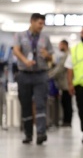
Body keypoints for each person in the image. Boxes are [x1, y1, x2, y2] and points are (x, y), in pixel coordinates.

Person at [13, 13, 54, 145]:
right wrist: (25, 61)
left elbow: (51, 58)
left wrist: (47, 55)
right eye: (39, 23)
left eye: (43, 24)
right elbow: (16, 50)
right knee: (25, 105)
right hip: (24, 74)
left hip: (40, 74)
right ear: (32, 22)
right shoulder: (20, 36)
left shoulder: (45, 38)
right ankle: (28, 133)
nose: (42, 26)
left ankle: (41, 133)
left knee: (41, 103)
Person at [49, 40, 72, 127]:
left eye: (60, 45)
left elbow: (60, 69)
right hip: (64, 83)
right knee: (65, 102)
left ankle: (67, 121)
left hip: (67, 83)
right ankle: (66, 120)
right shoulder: (66, 55)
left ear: (65, 45)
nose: (59, 47)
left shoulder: (67, 55)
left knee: (67, 103)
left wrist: (49, 75)